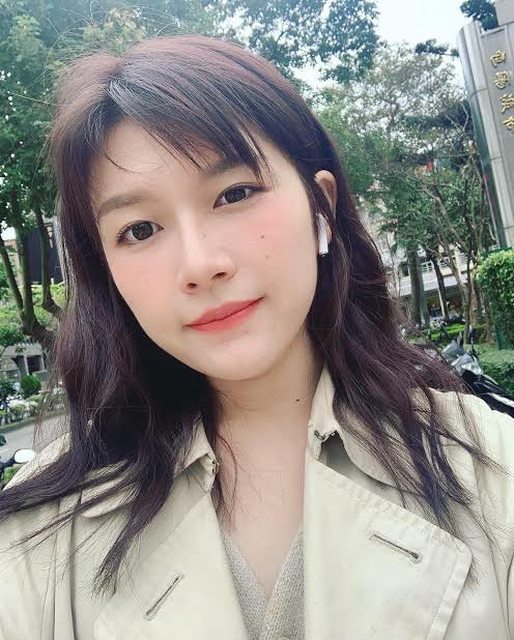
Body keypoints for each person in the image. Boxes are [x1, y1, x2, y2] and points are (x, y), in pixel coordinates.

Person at [0, 34, 514, 640]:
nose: (199, 264)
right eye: (139, 230)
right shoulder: (39, 536)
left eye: (235, 194)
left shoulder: (492, 470)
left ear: (322, 207)